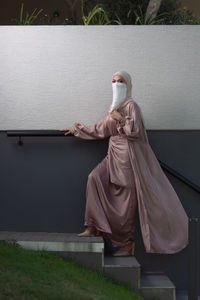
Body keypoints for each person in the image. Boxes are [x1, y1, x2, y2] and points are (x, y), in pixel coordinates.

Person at [60, 70, 188, 256]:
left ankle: (126, 246)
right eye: (113, 81)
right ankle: (93, 225)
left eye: (120, 81)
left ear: (128, 85)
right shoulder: (113, 106)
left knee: (125, 205)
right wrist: (76, 130)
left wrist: (120, 118)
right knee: (94, 178)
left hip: (128, 159)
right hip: (112, 155)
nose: (116, 85)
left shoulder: (131, 106)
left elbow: (135, 131)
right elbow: (100, 129)